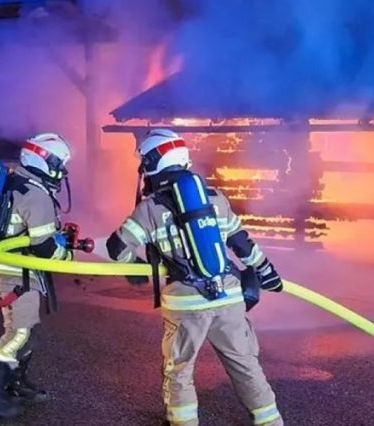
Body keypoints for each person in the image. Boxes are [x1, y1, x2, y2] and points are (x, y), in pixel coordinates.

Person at [105, 129, 284, 426]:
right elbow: (243, 245)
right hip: (229, 296)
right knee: (245, 364)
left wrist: (132, 267)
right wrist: (268, 274)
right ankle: (270, 421)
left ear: (151, 163)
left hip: (186, 304)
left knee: (179, 370)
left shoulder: (151, 208)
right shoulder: (216, 198)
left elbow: (116, 248)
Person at [0, 133, 74, 417]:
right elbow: (45, 248)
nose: (62, 171)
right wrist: (68, 256)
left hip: (12, 272)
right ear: (44, 160)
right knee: (18, 333)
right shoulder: (35, 194)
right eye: (59, 163)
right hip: (15, 274)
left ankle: (14, 383)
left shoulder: (19, 183)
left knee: (28, 329)